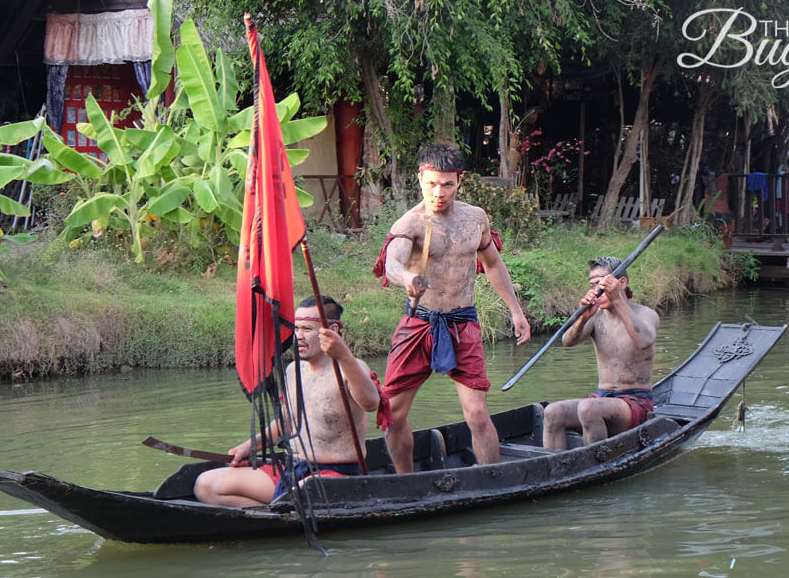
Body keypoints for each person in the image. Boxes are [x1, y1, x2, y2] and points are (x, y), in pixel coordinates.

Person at [373, 143, 531, 473]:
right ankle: (406, 483)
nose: (439, 192)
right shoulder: (411, 223)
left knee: (476, 413)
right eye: (431, 183)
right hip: (419, 322)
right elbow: (392, 262)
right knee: (393, 412)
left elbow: (493, 264)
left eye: (447, 184)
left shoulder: (475, 218)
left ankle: (492, 480)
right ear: (420, 179)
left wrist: (516, 311)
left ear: (459, 181)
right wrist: (406, 278)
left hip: (462, 321)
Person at [194, 296, 388, 507]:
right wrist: (250, 446)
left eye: (307, 328)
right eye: (296, 329)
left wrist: (344, 355)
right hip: (293, 468)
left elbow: (371, 403)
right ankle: (273, 515)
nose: (299, 337)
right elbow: (286, 422)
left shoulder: (351, 367)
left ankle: (283, 509)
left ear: (331, 330)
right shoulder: (293, 370)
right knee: (205, 485)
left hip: (335, 475)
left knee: (301, 494)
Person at [542, 256, 659, 450]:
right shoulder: (596, 317)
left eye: (602, 283)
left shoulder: (645, 314)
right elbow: (568, 342)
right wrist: (582, 317)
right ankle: (554, 468)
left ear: (621, 283)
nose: (596, 290)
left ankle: (596, 464)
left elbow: (644, 341)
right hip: (602, 397)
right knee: (552, 412)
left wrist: (616, 298)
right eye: (593, 284)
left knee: (588, 409)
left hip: (635, 401)